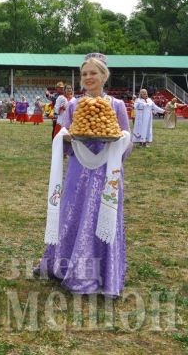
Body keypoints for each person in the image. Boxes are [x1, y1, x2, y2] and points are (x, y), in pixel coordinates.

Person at [37, 53, 132, 297]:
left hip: (105, 174)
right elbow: (67, 137)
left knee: (100, 215)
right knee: (73, 213)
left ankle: (100, 273)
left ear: (104, 76)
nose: (89, 78)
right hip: (79, 172)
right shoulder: (74, 105)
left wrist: (120, 141)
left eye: (93, 73)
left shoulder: (117, 106)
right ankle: (64, 264)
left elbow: (127, 142)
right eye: (85, 74)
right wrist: (66, 139)